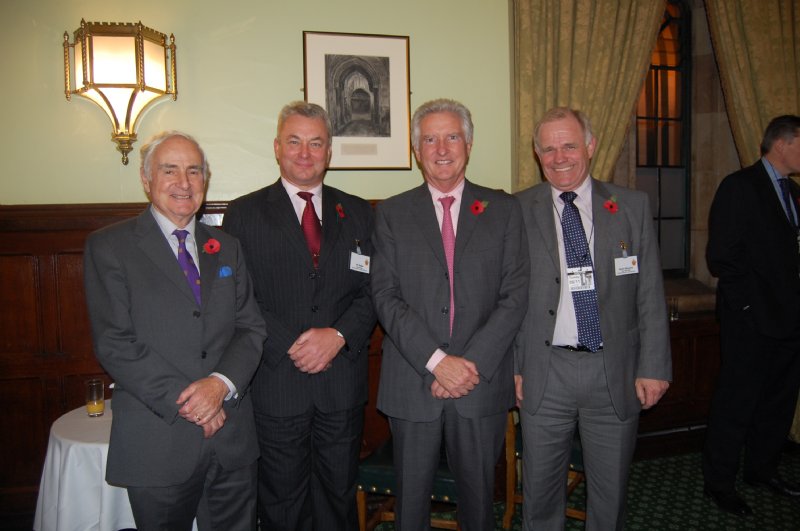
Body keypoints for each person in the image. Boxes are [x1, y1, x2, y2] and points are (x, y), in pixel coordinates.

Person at [83, 131, 267, 530]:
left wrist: (219, 386)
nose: (184, 183)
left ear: (206, 180)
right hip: (157, 440)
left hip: (231, 437)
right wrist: (193, 403)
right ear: (147, 181)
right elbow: (115, 342)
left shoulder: (227, 246)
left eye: (194, 171)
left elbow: (250, 328)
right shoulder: (110, 247)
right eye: (170, 170)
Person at [371, 98, 530, 530]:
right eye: (430, 139)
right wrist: (439, 363)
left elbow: (515, 295)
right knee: (411, 508)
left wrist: (467, 366)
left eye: (452, 136)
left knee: (479, 504)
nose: (442, 148)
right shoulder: (391, 213)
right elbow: (385, 296)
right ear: (416, 151)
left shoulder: (503, 210)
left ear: (469, 144)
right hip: (413, 380)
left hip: (480, 383)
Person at [514, 107, 672, 530]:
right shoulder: (516, 209)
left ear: (590, 146)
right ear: (536, 152)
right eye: (548, 148)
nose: (559, 156)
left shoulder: (631, 206)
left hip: (614, 371)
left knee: (610, 495)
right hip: (545, 371)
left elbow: (650, 294)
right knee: (541, 495)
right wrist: (516, 366)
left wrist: (654, 366)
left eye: (569, 145)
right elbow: (507, 299)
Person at [222, 101, 376, 531]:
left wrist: (339, 335)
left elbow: (374, 290)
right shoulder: (244, 213)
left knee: (337, 495)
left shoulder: (359, 211)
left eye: (315, 143)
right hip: (277, 380)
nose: (304, 153)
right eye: (294, 141)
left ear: (329, 152)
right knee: (281, 501)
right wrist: (294, 340)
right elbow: (238, 296)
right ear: (277, 147)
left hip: (341, 382)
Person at [702, 115, 800, 516]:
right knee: (736, 403)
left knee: (778, 402)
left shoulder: (794, 193)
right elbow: (722, 257)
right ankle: (719, 483)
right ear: (782, 143)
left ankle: (762, 468)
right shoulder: (739, 186)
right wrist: (745, 310)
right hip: (750, 322)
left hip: (791, 321)